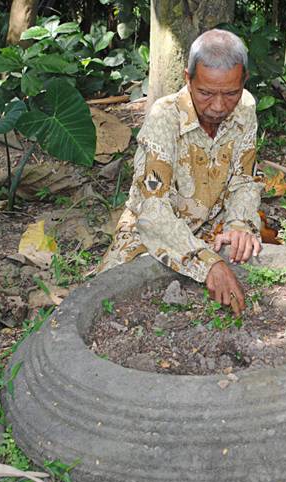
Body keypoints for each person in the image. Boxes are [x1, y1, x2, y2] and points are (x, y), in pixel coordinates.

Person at [97, 28, 263, 316]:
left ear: (244, 81)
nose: (219, 106)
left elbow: (245, 179)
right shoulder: (164, 118)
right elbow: (153, 211)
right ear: (188, 79)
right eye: (206, 93)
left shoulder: (246, 107)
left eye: (231, 93)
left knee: (251, 258)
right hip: (153, 229)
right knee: (107, 295)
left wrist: (239, 225)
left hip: (215, 224)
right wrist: (209, 262)